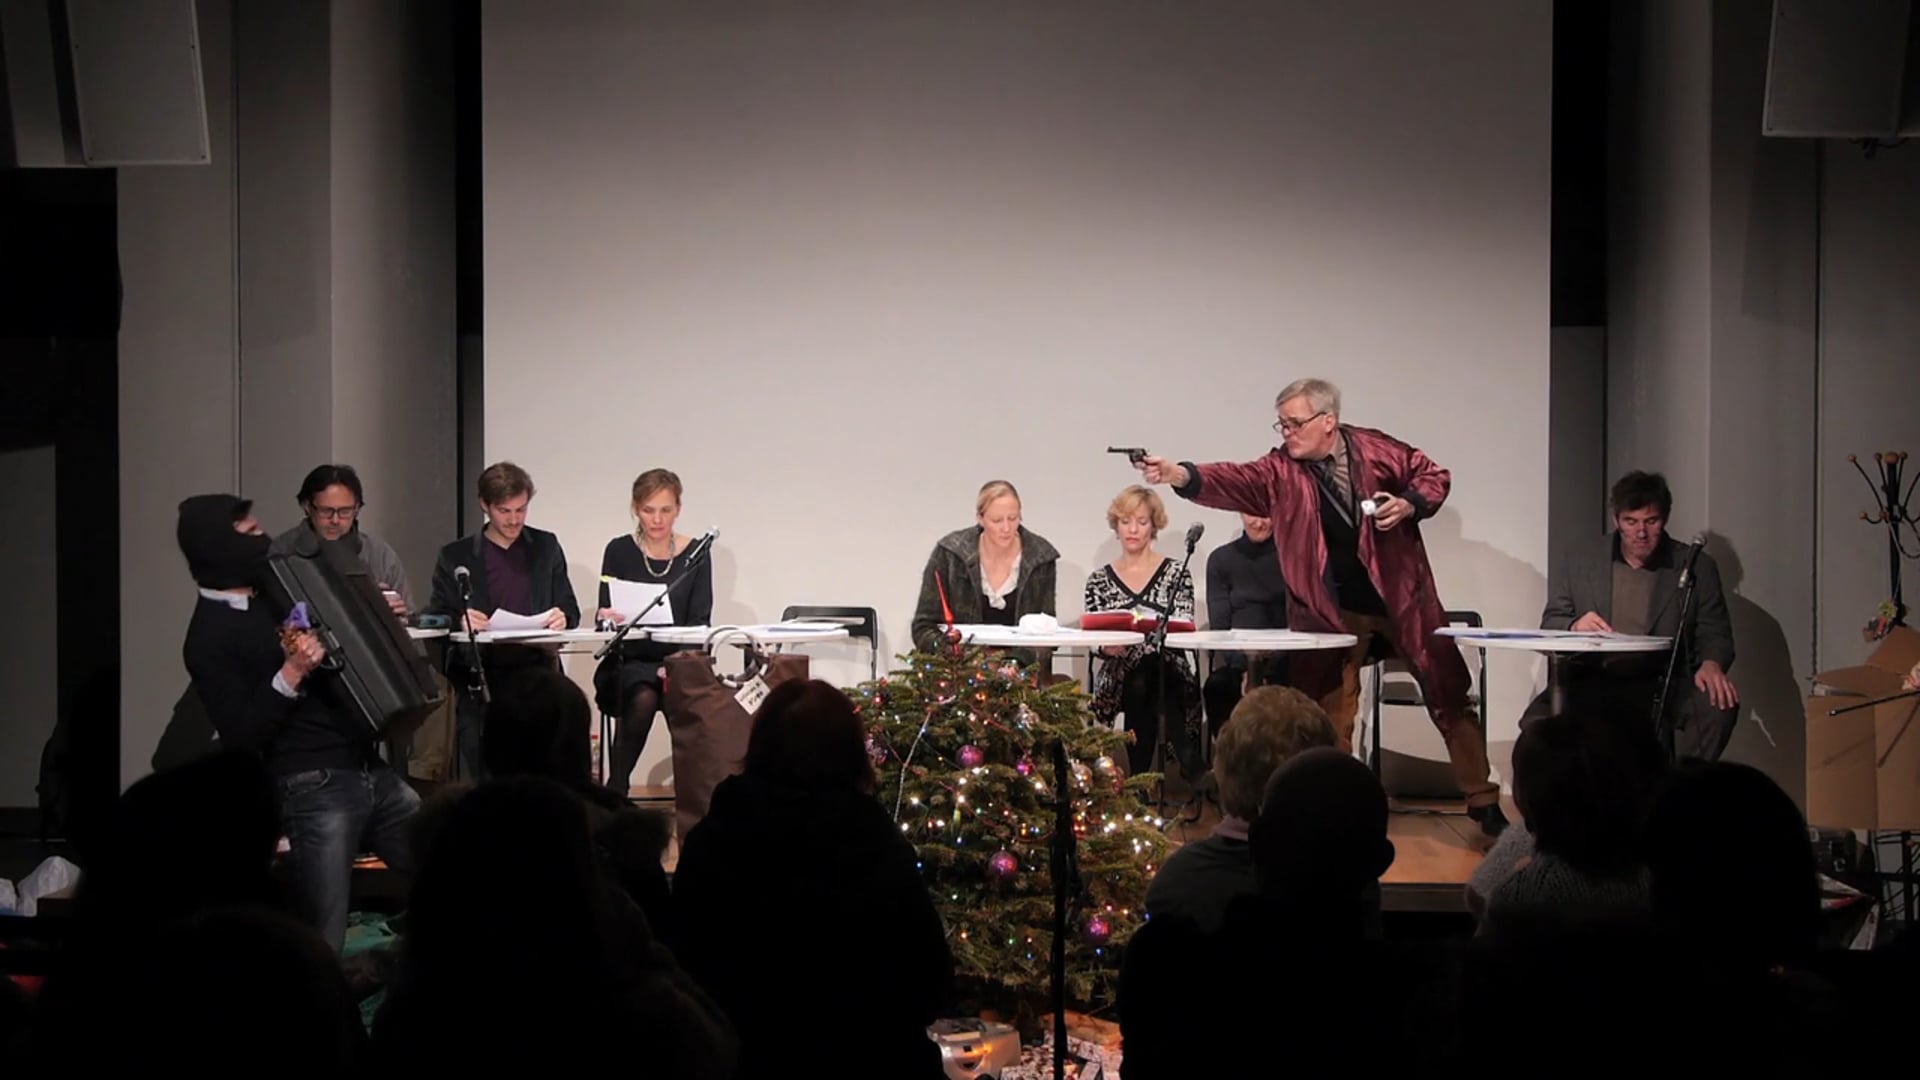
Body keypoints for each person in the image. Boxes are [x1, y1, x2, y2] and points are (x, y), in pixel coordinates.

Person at [1134, 378, 1506, 837]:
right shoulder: (1279, 470)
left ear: (1328, 421)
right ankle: (1334, 806)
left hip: (1402, 599)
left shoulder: (1377, 449)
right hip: (1333, 609)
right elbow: (1234, 478)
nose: (1285, 432)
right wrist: (1180, 474)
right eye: (1282, 423)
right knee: (1330, 710)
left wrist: (1409, 504)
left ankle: (1483, 800)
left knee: (1448, 694)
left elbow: (1433, 475)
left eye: (1294, 422)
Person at [672, 680, 954, 1080]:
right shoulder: (875, 846)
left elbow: (684, 975)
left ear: (760, 746)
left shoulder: (713, 841)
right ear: (851, 754)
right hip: (867, 1060)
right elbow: (930, 986)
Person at [175, 494, 419, 951]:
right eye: (247, 532)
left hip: (368, 767)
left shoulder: (277, 589)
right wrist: (290, 674)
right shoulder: (206, 637)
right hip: (312, 783)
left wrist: (374, 610)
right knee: (322, 929)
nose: (262, 537)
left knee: (448, 872)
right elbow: (242, 735)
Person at [1527, 470, 1739, 760]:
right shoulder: (1581, 560)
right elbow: (1550, 623)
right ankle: (1573, 802)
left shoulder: (1695, 566)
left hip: (1664, 680)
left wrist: (1712, 664)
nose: (1641, 533)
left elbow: (1715, 631)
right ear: (1617, 520)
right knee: (1536, 727)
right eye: (1631, 522)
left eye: (1651, 522)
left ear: (1664, 519)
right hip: (1594, 678)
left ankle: (1678, 792)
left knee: (1717, 706)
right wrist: (1575, 626)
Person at [428, 462, 581, 779]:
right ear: (485, 505)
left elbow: (569, 606)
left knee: (548, 763)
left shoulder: (545, 546)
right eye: (504, 511)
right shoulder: (456, 556)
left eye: (521, 510)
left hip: (537, 670)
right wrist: (460, 619)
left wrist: (561, 617)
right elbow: (435, 615)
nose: (514, 520)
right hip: (482, 674)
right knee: (485, 766)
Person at [593, 468, 713, 796]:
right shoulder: (618, 550)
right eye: (648, 510)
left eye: (665, 510)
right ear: (635, 509)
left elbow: (700, 620)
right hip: (628, 662)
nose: (657, 520)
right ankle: (615, 791)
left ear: (678, 509)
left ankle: (698, 799)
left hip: (679, 661)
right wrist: (607, 617)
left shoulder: (697, 551)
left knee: (677, 694)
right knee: (644, 694)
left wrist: (674, 663)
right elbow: (604, 617)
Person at [1084, 485, 1202, 777]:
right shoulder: (1099, 580)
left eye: (1141, 522)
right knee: (1139, 677)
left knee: (1151, 670)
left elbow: (1184, 624)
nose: (1133, 530)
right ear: (1117, 526)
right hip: (1118, 673)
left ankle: (1138, 780)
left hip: (1169, 669)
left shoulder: (1177, 573)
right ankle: (1190, 761)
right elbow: (1091, 638)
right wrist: (1105, 647)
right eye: (1126, 522)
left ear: (1154, 526)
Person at [909, 480, 1060, 656]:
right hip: (958, 671)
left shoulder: (1040, 558)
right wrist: (954, 654)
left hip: (1022, 673)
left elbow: (1047, 633)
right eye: (997, 520)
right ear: (980, 519)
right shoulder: (950, 555)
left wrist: (1012, 665)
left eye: (1013, 518)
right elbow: (923, 627)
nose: (1006, 528)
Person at [273, 463, 412, 617]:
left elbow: (410, 618)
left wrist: (397, 617)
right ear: (307, 507)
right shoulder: (281, 551)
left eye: (344, 511)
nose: (335, 520)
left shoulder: (380, 554)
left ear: (357, 508)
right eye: (326, 511)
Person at [1203, 511, 1291, 733]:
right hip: (1237, 663)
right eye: (1251, 514)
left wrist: (1264, 671)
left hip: (1285, 661)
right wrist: (1246, 670)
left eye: (1266, 515)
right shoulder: (1220, 560)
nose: (1258, 523)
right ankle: (1228, 763)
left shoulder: (1292, 557)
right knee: (1216, 686)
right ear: (1240, 513)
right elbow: (1220, 625)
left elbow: (1299, 620)